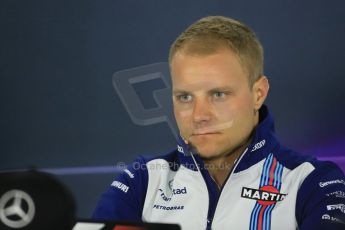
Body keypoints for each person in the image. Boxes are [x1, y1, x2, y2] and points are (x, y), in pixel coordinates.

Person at [93, 16, 345, 230]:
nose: (199, 115)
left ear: (258, 93)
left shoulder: (311, 183)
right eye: (185, 97)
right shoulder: (142, 179)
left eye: (218, 94)